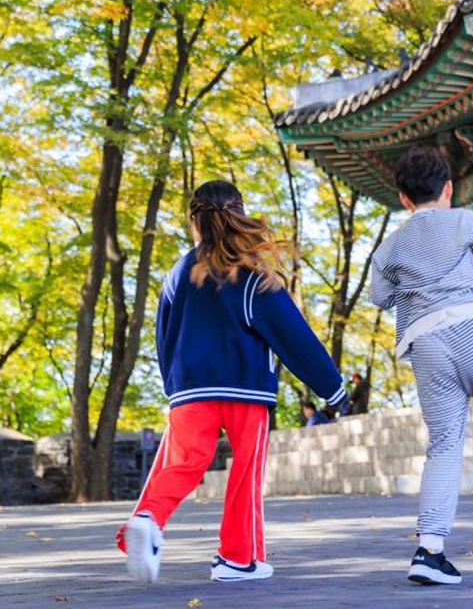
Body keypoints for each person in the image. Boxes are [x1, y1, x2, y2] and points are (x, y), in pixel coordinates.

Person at [116, 180, 348, 584]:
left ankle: (149, 519)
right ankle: (237, 559)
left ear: (194, 221)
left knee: (183, 463)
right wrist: (333, 389)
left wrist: (175, 386)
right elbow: (294, 336)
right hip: (245, 388)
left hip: (190, 389)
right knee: (245, 471)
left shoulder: (177, 273)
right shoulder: (254, 274)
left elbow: (164, 335)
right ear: (240, 214)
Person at [369, 147, 473, 584]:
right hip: (472, 325)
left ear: (403, 198)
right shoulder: (466, 220)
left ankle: (430, 550)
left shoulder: (388, 247)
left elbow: (380, 296)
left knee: (443, 445)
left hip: (426, 342)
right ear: (449, 188)